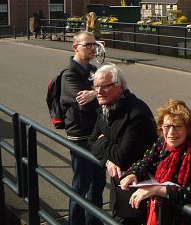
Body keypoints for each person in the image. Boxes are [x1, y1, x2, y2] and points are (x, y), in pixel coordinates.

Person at [120, 99, 191, 225]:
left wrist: (157, 190)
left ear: (188, 128)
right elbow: (145, 162)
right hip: (166, 216)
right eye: (167, 126)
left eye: (178, 127)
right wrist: (133, 173)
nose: (171, 133)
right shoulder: (162, 143)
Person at [89, 63, 158, 225]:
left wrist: (103, 141)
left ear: (119, 87)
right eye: (96, 86)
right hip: (119, 185)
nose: (98, 91)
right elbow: (91, 142)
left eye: (104, 86)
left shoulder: (136, 112)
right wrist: (107, 160)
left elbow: (123, 156)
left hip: (139, 185)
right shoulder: (104, 108)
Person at [60, 30, 106, 225]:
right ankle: (76, 222)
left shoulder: (94, 70)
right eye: (87, 45)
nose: (92, 48)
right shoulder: (69, 75)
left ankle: (93, 222)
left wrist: (95, 93)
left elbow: (115, 90)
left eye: (94, 44)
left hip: (98, 135)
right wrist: (100, 94)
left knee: (98, 183)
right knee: (81, 184)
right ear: (75, 47)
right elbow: (82, 103)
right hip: (80, 136)